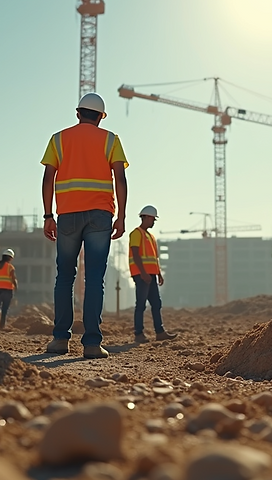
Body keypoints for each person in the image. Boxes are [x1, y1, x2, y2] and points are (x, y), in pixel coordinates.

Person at [41, 92, 128, 359]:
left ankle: (59, 340)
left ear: (78, 113)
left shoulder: (58, 139)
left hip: (67, 214)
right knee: (94, 280)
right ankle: (91, 344)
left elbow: (47, 178)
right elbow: (121, 180)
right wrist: (122, 216)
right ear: (101, 117)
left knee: (65, 278)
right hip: (100, 216)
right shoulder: (111, 139)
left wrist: (48, 216)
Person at [129, 205, 177, 343]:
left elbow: (154, 258)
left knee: (156, 303)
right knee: (141, 305)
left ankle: (160, 332)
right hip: (142, 274)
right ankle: (139, 334)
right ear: (146, 217)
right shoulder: (136, 233)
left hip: (151, 275)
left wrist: (159, 274)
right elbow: (136, 254)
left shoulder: (150, 236)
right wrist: (143, 273)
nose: (154, 222)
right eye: (153, 219)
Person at [0, 249, 18, 329]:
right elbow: (13, 278)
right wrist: (16, 287)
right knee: (5, 308)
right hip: (8, 290)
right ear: (10, 258)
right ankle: (2, 326)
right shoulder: (10, 267)